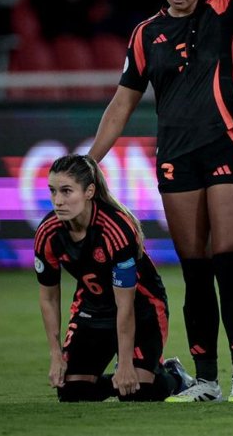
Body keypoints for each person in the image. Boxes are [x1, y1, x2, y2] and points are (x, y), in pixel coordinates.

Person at [87, 0, 233, 403]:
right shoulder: (145, 35)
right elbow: (122, 104)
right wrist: (90, 161)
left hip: (224, 147)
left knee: (228, 262)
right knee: (194, 270)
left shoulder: (219, 11)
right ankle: (207, 381)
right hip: (176, 157)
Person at [35, 154, 195, 402]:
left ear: (89, 191)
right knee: (71, 393)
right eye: (53, 191)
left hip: (142, 308)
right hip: (93, 310)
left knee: (136, 392)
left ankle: (174, 376)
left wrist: (126, 362)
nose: (58, 201)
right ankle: (128, 378)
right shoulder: (48, 233)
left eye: (67, 191)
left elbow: (126, 304)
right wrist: (55, 354)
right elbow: (48, 297)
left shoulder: (116, 229)